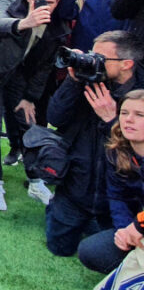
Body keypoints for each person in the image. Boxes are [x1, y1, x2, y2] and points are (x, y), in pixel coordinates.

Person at [46, 30, 144, 258]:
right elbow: (54, 117)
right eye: (91, 54)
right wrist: (72, 81)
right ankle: (57, 208)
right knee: (59, 248)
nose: (92, 60)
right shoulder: (88, 79)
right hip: (76, 187)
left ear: (126, 64)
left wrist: (113, 120)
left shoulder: (140, 96)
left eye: (100, 58)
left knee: (100, 251)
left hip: (122, 196)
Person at [0, 0, 69, 210]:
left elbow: (44, 67)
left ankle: (35, 181)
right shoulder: (10, 1)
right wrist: (24, 22)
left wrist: (29, 97)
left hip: (17, 78)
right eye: (39, 1)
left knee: (28, 128)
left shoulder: (56, 25)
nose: (44, 7)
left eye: (50, 2)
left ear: (58, 1)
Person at [78, 90, 144, 274]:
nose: (128, 119)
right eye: (124, 113)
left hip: (141, 224)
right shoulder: (116, 151)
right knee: (90, 251)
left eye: (139, 115)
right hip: (135, 226)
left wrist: (138, 228)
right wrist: (124, 233)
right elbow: (117, 196)